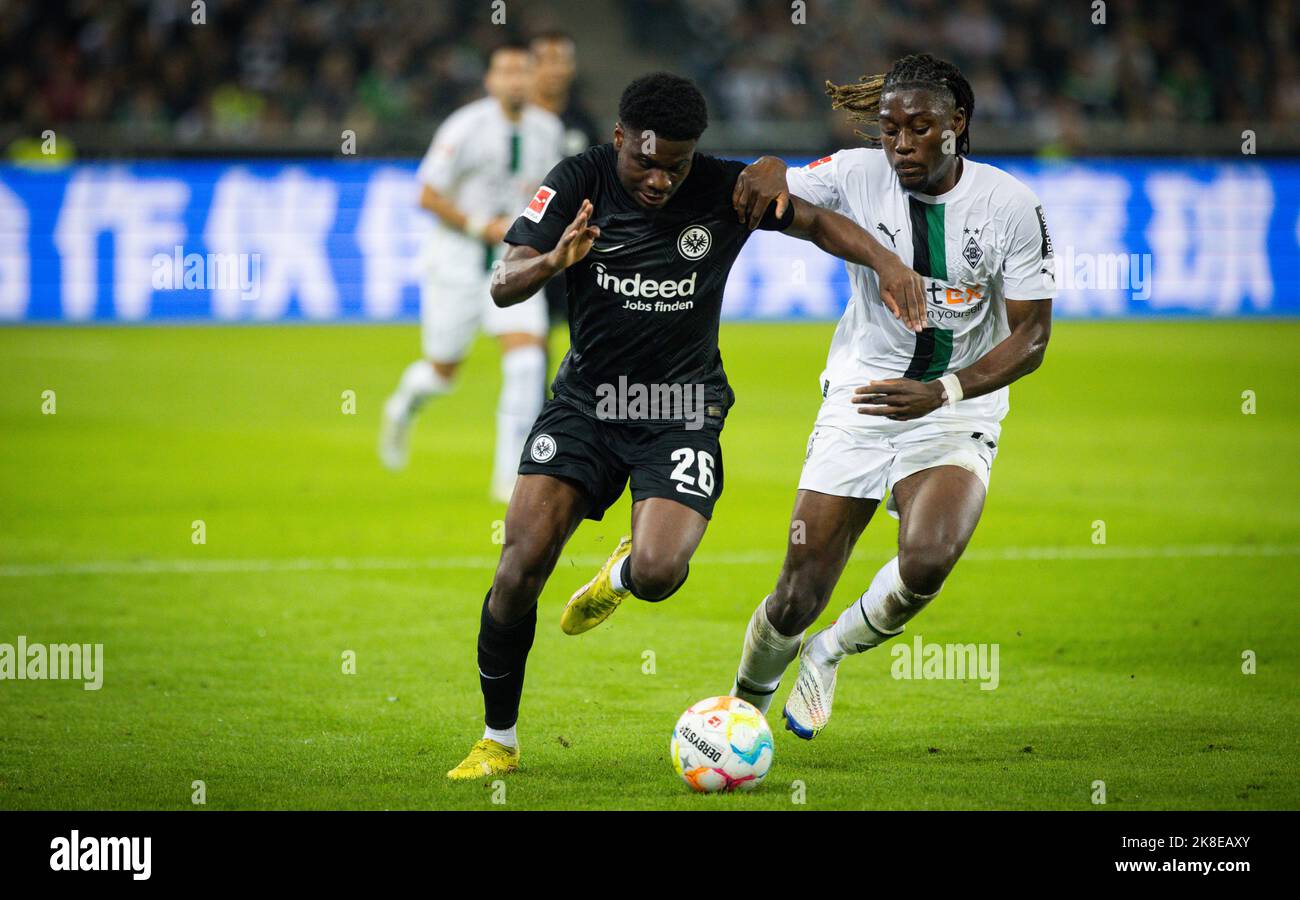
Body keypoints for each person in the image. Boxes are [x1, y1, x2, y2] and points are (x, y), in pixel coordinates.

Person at [447, 71, 927, 779]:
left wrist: (886, 262)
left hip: (682, 410)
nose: (659, 180)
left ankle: (623, 571)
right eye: (644, 163)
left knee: (662, 571)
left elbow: (818, 221)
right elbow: (503, 280)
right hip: (587, 404)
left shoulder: (725, 190)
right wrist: (554, 259)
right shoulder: (578, 179)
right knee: (518, 570)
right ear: (618, 140)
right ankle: (499, 740)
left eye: (675, 165)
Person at [728, 53, 1056, 739]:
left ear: (956, 124)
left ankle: (831, 652)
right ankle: (741, 715)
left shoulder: (1011, 207)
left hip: (957, 402)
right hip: (862, 395)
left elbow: (1031, 339)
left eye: (919, 128)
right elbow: (779, 193)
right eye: (888, 130)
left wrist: (944, 390)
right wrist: (763, 168)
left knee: (929, 556)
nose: (901, 144)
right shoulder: (857, 175)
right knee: (797, 592)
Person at [379, 42, 563, 503]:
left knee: (526, 366)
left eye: (523, 71)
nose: (515, 80)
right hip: (457, 266)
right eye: (506, 71)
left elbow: (551, 194)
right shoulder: (465, 126)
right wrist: (480, 225)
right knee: (442, 372)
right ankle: (403, 406)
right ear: (491, 80)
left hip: (515, 267)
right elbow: (427, 194)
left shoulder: (548, 130)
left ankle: (509, 480)